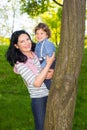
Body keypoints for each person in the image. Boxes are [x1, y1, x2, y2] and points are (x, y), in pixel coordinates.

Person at [6, 30, 55, 130]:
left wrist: (51, 72)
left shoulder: (37, 53)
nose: (27, 43)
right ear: (16, 46)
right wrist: (49, 64)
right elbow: (37, 83)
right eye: (22, 41)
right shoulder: (20, 63)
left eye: (27, 39)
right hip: (39, 99)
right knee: (41, 128)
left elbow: (46, 71)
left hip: (53, 94)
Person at [34, 22, 56, 90]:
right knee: (43, 78)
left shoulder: (47, 44)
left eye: (41, 33)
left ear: (47, 35)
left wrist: (42, 67)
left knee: (47, 79)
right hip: (43, 61)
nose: (39, 35)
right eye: (37, 33)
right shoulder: (38, 44)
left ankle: (52, 90)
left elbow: (50, 56)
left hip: (49, 61)